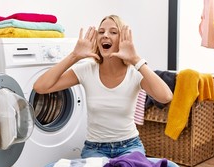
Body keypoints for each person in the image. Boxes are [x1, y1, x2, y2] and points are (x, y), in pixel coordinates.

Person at [33, 15, 173, 158]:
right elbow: (40, 87)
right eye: (101, 32)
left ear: (123, 40)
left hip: (129, 146)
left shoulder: (135, 72)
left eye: (113, 32)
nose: (105, 35)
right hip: (95, 148)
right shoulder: (87, 70)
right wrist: (74, 56)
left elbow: (165, 97)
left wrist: (135, 59)